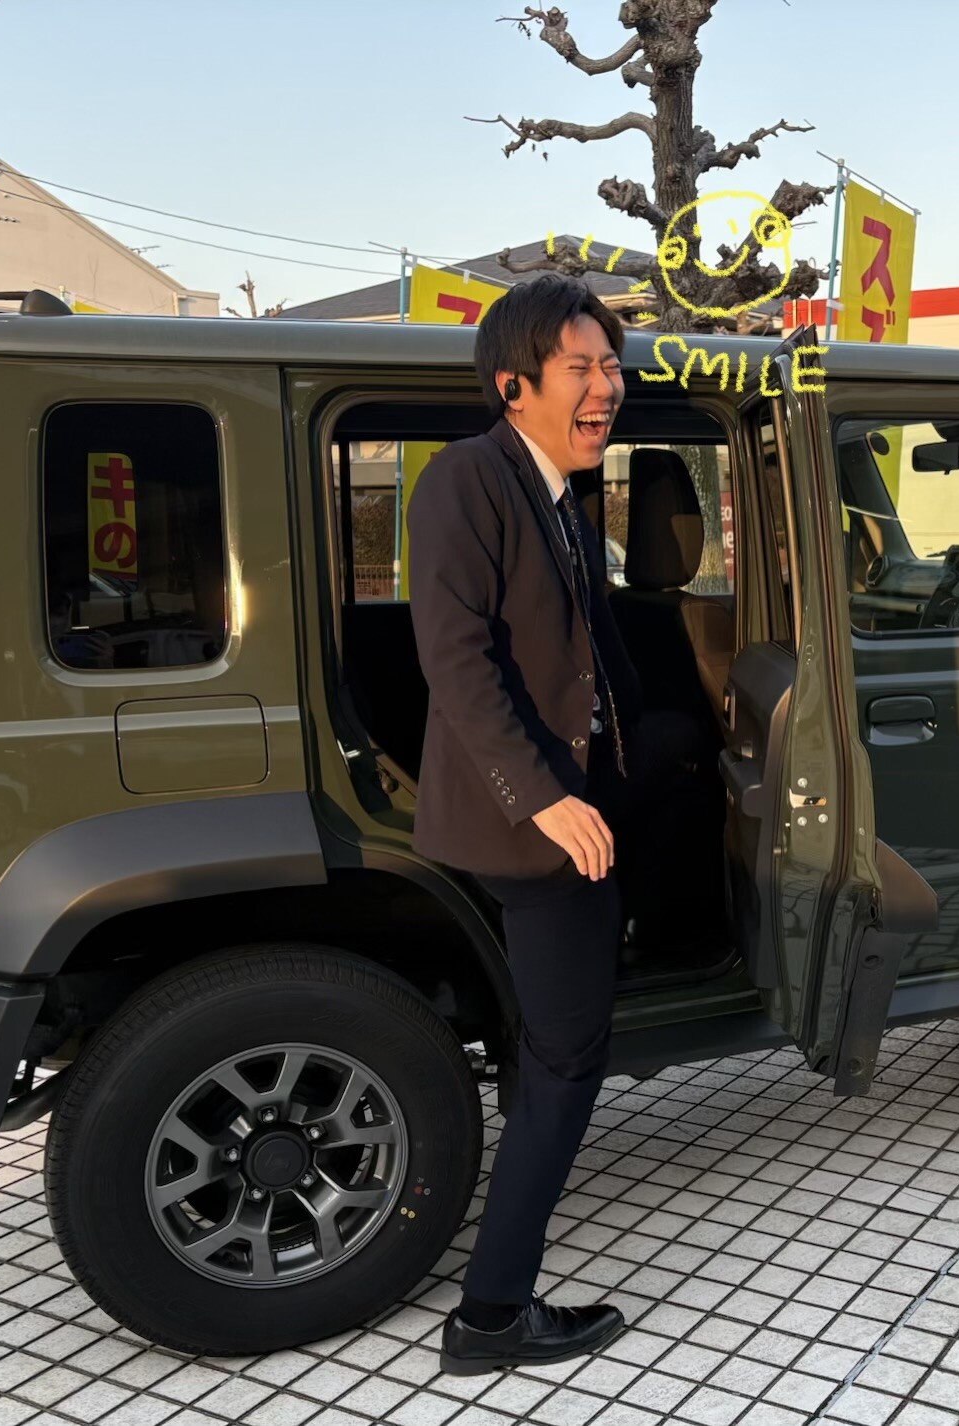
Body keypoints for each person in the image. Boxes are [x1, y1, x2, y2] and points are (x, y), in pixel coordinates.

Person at [408, 274, 645, 1375]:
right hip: (532, 829)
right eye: (581, 368)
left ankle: (495, 1304)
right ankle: (492, 1314)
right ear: (514, 385)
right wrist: (543, 798)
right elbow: (454, 657)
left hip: (570, 801)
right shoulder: (467, 479)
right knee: (565, 1059)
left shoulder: (555, 493)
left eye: (611, 366)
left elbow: (584, 647)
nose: (607, 387)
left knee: (554, 1049)